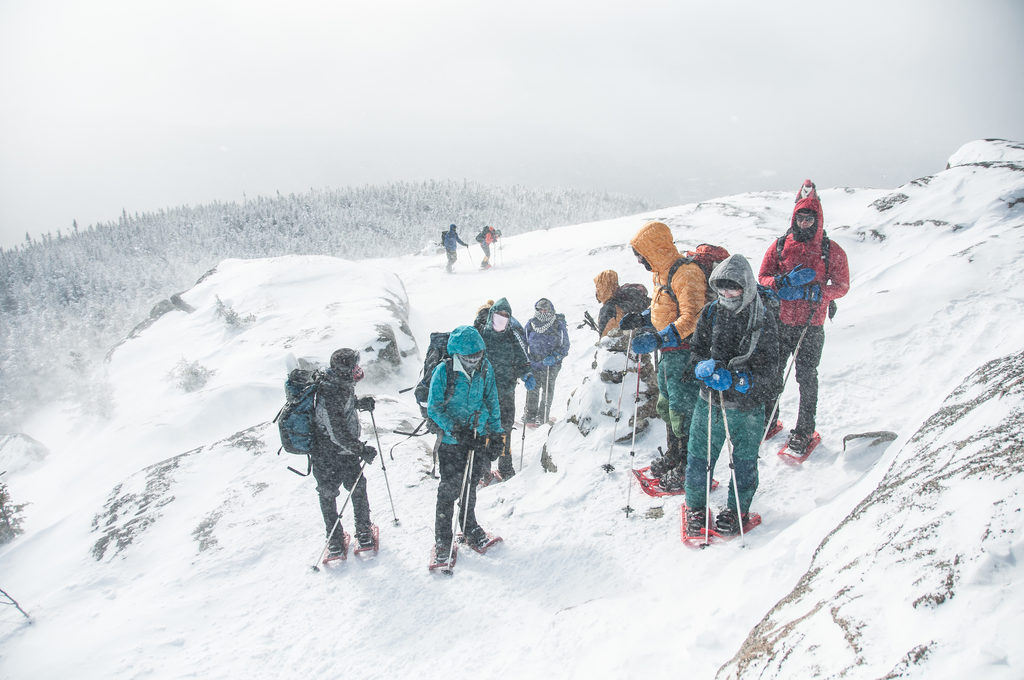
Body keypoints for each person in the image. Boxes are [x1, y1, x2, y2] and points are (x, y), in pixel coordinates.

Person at [684, 255, 780, 536]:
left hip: (747, 407)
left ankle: (736, 509)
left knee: (744, 460)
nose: (726, 295)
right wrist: (700, 366)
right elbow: (696, 350)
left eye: (733, 288)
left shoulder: (762, 318)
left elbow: (770, 369)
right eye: (721, 288)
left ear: (746, 287)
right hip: (709, 401)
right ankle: (696, 508)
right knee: (700, 457)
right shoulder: (711, 312)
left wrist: (741, 380)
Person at [757, 180, 850, 454]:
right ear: (794, 217)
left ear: (818, 219)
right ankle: (768, 419)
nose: (805, 222)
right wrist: (782, 283)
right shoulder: (780, 245)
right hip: (781, 322)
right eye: (801, 217)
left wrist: (819, 292)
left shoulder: (831, 251)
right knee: (774, 374)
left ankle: (805, 430)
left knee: (806, 377)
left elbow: (842, 286)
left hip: (811, 324)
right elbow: (762, 278)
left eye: (810, 218)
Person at [620, 221, 707, 491]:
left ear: (653, 250)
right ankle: (674, 453)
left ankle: (688, 465)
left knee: (683, 410)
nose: (639, 260)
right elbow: (665, 309)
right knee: (667, 407)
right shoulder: (662, 273)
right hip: (668, 353)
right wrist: (644, 318)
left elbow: (692, 318)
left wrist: (659, 337)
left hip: (685, 352)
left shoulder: (686, 274)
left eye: (640, 254)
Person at [426, 325, 504, 560]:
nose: (474, 360)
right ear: (457, 354)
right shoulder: (444, 371)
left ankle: (469, 526)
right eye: (469, 357)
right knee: (449, 490)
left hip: (477, 437)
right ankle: (443, 539)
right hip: (451, 442)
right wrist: (455, 429)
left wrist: (497, 434)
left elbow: (492, 400)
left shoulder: (485, 368)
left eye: (478, 355)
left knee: (470, 485)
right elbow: (434, 407)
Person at [311, 348, 379, 556]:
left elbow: (339, 414)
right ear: (344, 370)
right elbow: (337, 432)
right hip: (336, 453)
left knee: (328, 494)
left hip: (325, 455)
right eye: (354, 366)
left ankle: (335, 539)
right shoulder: (332, 392)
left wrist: (358, 403)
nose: (358, 370)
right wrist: (361, 450)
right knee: (355, 489)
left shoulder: (336, 385)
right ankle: (361, 533)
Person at [476, 297, 535, 479]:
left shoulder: (511, 335)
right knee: (484, 429)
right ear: (491, 315)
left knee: (505, 428)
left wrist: (527, 374)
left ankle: (506, 467)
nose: (502, 318)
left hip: (506, 391)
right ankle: (483, 470)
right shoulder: (480, 335)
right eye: (499, 314)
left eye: (506, 315)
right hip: (485, 393)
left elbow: (522, 359)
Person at [524, 298, 570, 426]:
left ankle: (542, 416)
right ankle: (530, 415)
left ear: (551, 309)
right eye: (540, 309)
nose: (543, 311)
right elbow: (523, 342)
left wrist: (555, 357)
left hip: (551, 365)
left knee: (547, 389)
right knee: (533, 388)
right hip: (534, 362)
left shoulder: (557, 324)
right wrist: (527, 359)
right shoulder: (531, 324)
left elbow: (565, 346)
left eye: (546, 309)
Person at [594, 270, 650, 338]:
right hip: (647, 340)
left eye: (598, 287)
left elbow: (606, 340)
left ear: (603, 288)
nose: (596, 291)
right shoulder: (630, 297)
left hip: (626, 345)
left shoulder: (608, 309)